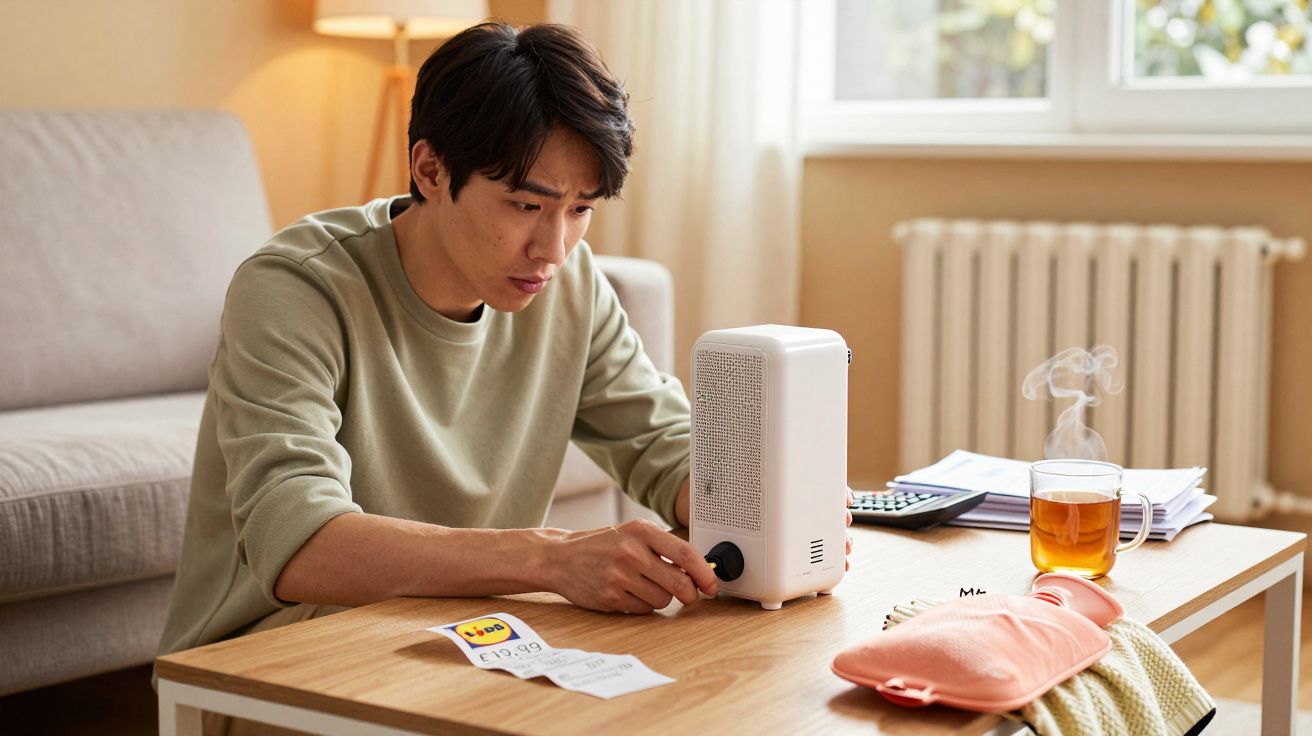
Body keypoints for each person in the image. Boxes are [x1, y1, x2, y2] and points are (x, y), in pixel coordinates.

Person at [158, 21, 852, 675]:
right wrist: (550, 560)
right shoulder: (295, 288)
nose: (554, 249)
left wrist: (773, 510)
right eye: (527, 205)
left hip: (467, 641)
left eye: (580, 209)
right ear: (429, 171)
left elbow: (659, 442)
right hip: (280, 658)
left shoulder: (569, 284)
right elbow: (298, 542)